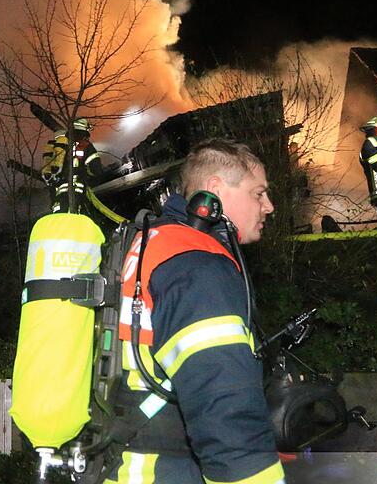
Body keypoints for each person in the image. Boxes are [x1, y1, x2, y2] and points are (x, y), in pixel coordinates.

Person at [109, 139, 283, 484]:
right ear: (214, 190)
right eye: (258, 194)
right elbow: (225, 408)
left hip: (120, 465)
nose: (270, 206)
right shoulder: (197, 265)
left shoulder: (150, 245)